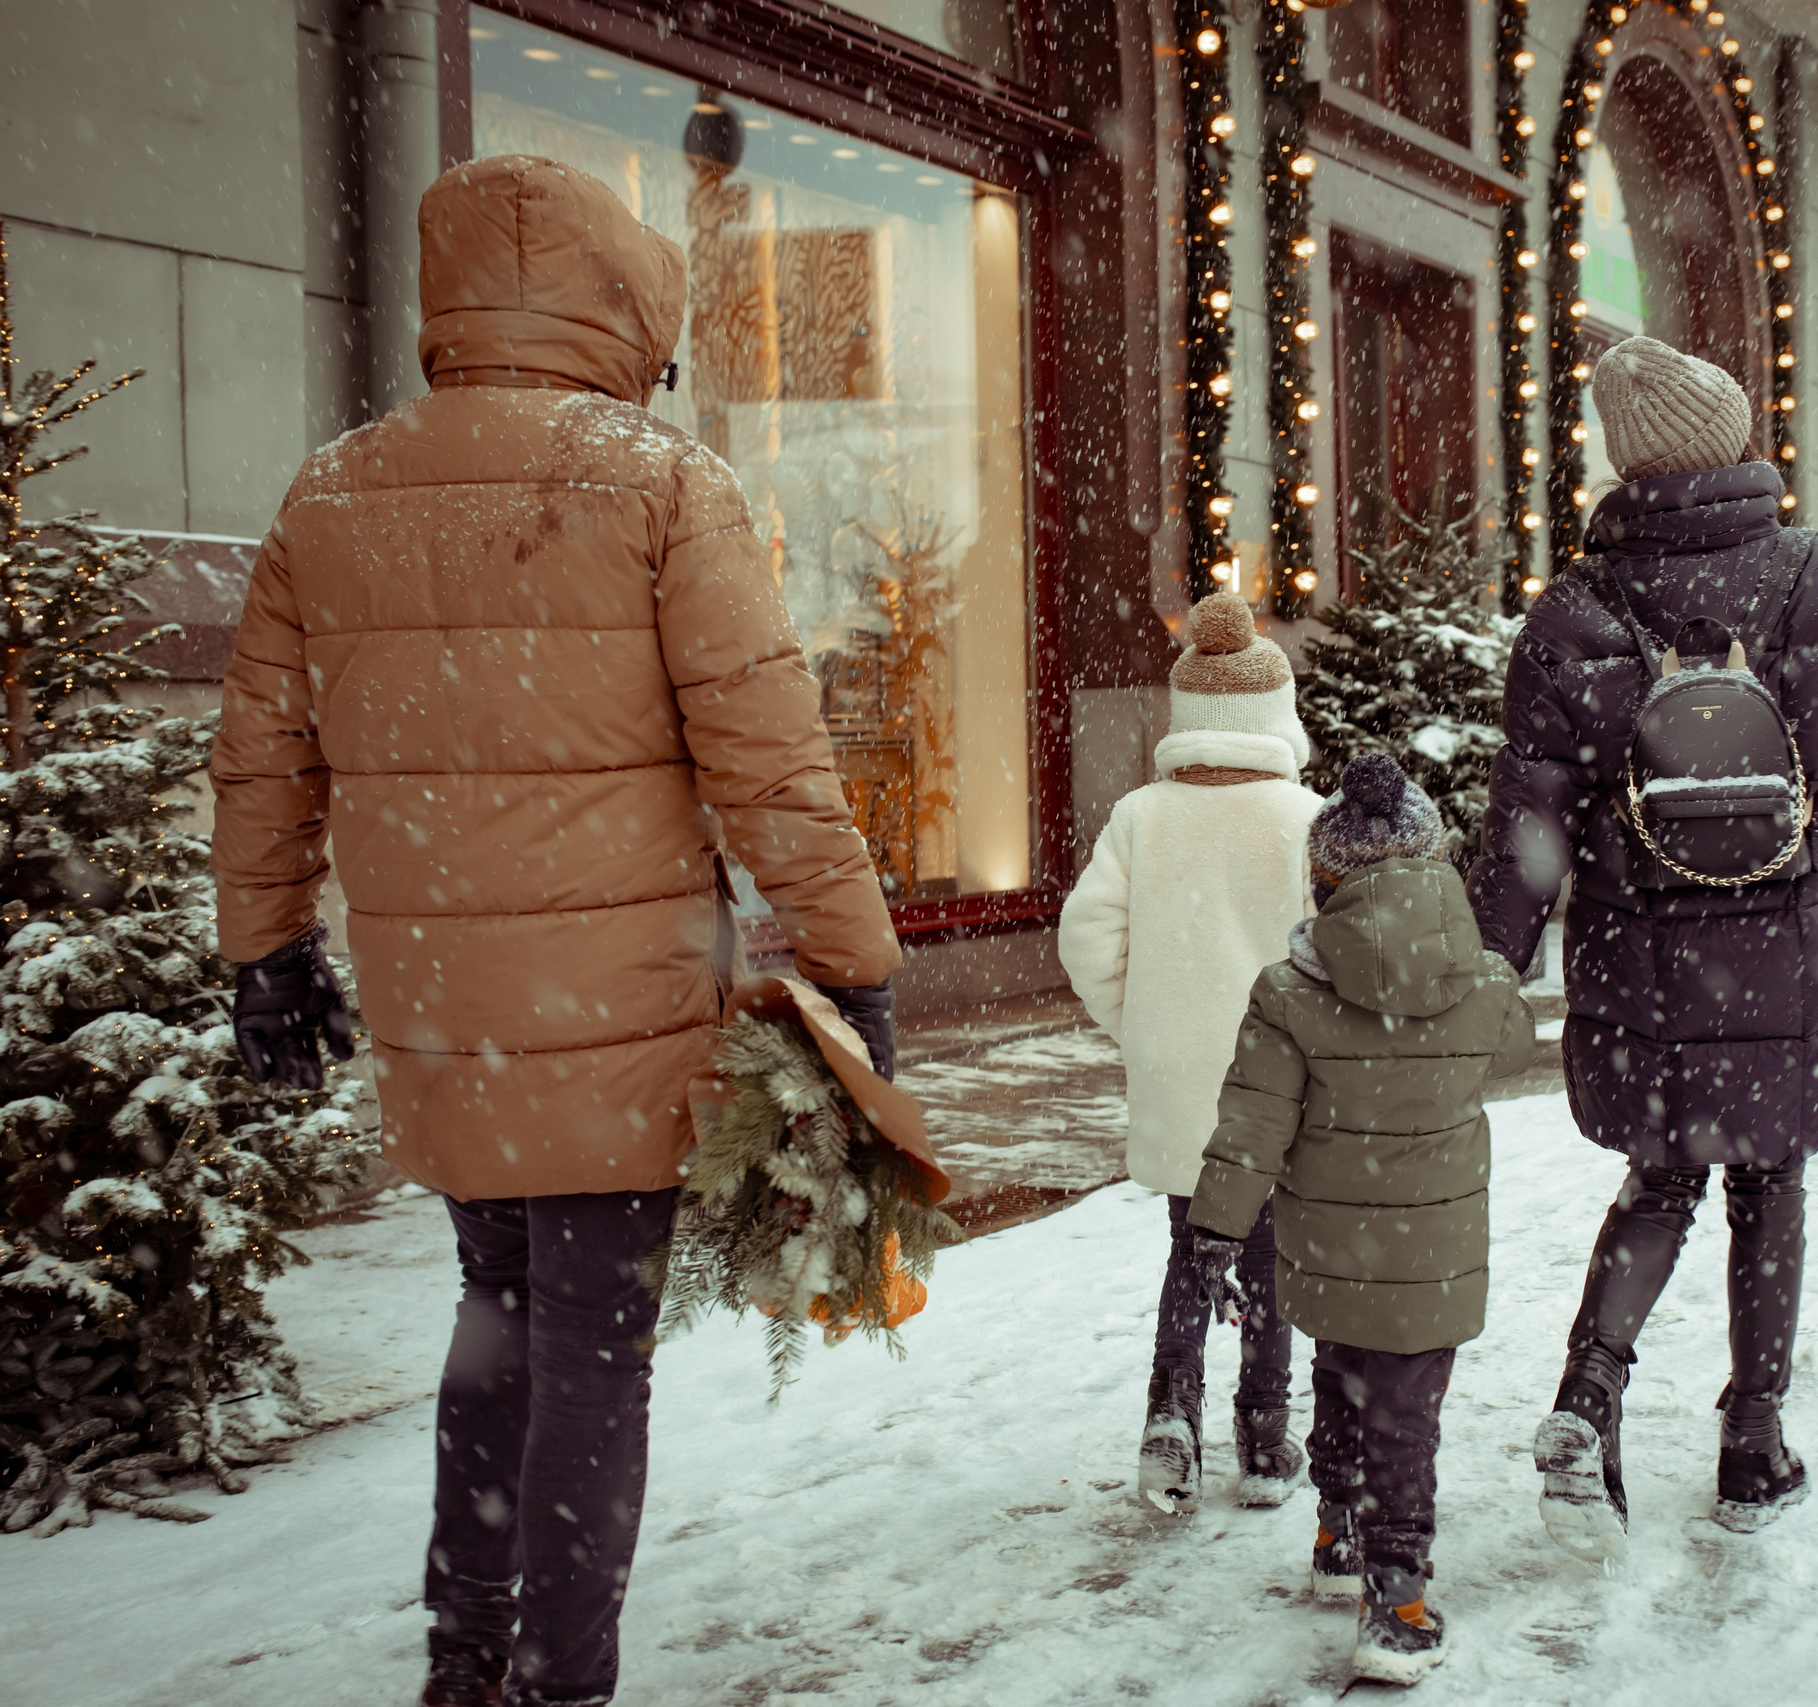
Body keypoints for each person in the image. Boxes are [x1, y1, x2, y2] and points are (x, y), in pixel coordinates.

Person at [213, 156, 901, 1707]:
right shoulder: (658, 481)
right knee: (593, 1344)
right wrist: (854, 959)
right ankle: (561, 1679)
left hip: (440, 989)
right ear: (622, 301)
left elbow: (264, 752)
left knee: (496, 1314)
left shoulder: (332, 491)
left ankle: (466, 1656)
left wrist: (265, 949)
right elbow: (767, 756)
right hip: (623, 1005)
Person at [1466, 335, 1818, 1561]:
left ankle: (1589, 1391)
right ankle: (1753, 1439)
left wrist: (1494, 957)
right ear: (1735, 441)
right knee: (1770, 1180)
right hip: (1793, 948)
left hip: (1644, 949)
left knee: (1663, 1174)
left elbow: (1532, 813)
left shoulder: (1576, 610)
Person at [1183, 756, 1535, 1685]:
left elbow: (1253, 1123)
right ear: (1434, 865)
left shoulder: (1287, 990)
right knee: (1405, 1419)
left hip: (1330, 1248)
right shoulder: (1483, 980)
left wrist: (1215, 1229)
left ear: (1325, 880)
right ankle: (1399, 1600)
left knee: (1337, 1376)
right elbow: (1516, 1043)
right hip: (1434, 1254)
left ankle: (1341, 1535)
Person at [1057, 591, 1323, 1515]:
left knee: (1193, 1245)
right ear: (1273, 717)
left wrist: (1138, 1023)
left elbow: (1086, 939)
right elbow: (1334, 945)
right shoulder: (1306, 819)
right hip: (1281, 1081)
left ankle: (1171, 1417)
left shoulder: (1142, 816)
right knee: (1274, 1256)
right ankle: (1262, 1435)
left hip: (1179, 1077)